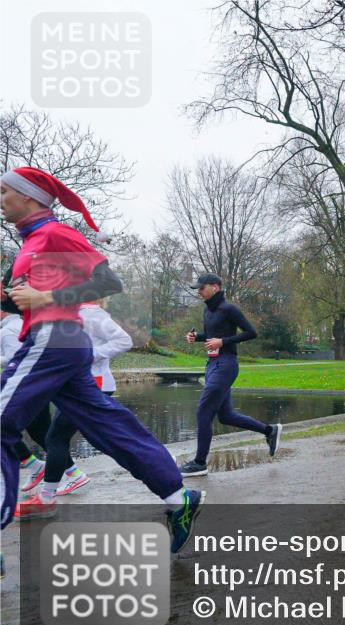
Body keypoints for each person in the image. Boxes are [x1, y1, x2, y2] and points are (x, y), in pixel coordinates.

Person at [0, 166, 202, 552]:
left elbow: (109, 282)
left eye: (4, 192)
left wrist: (45, 298)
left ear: (28, 197)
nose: (0, 200)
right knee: (110, 428)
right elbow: (36, 295)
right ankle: (180, 499)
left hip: (54, 339)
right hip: (61, 345)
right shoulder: (31, 242)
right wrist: (19, 296)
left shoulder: (54, 233)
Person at [18, 300, 132, 514]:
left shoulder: (92, 314)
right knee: (65, 436)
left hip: (93, 385)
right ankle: (62, 485)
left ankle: (49, 495)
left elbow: (124, 340)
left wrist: (88, 355)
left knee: (57, 437)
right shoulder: (72, 314)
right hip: (78, 385)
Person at [180, 273, 281, 477]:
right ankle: (270, 431)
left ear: (215, 287)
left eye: (201, 288)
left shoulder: (229, 309)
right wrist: (197, 337)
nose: (199, 292)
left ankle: (200, 463)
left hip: (226, 365)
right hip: (212, 365)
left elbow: (251, 332)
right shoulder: (207, 311)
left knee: (203, 411)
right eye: (198, 289)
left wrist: (223, 342)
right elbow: (211, 337)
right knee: (226, 416)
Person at [0, 310, 53, 492]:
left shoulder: (7, 331)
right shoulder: (22, 325)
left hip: (23, 387)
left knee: (5, 429)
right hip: (36, 385)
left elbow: (16, 358)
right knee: (42, 433)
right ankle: (71, 472)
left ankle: (36, 466)